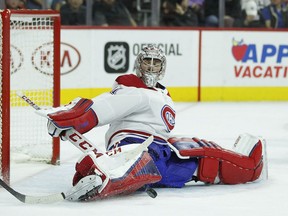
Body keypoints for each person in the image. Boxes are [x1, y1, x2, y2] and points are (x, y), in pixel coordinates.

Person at [38, 45, 267, 201]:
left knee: (203, 163)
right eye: (146, 61)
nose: (150, 66)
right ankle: (102, 178)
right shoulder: (133, 89)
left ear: (162, 67)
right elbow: (104, 107)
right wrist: (72, 120)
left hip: (161, 150)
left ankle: (250, 168)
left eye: (155, 62)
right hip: (134, 146)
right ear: (139, 64)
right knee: (142, 161)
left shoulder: (161, 94)